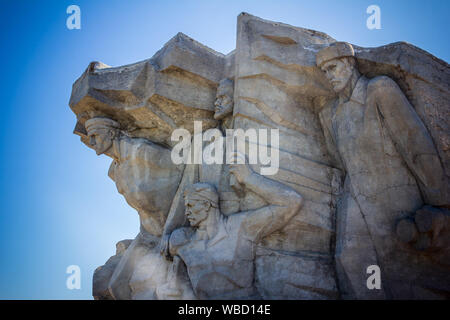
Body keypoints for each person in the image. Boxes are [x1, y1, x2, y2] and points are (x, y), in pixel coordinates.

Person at [316, 42, 449, 298]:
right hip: (356, 200)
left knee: (411, 275)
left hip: (397, 198)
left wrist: (440, 203)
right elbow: (338, 161)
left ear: (350, 64)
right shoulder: (333, 113)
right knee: (350, 259)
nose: (328, 76)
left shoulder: (379, 89)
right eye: (323, 72)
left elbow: (415, 145)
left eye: (332, 68)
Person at [159, 153, 303, 299]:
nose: (187, 212)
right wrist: (162, 291)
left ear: (208, 204)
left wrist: (249, 178)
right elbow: (172, 279)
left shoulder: (240, 227)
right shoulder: (182, 241)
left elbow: (291, 202)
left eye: (191, 205)